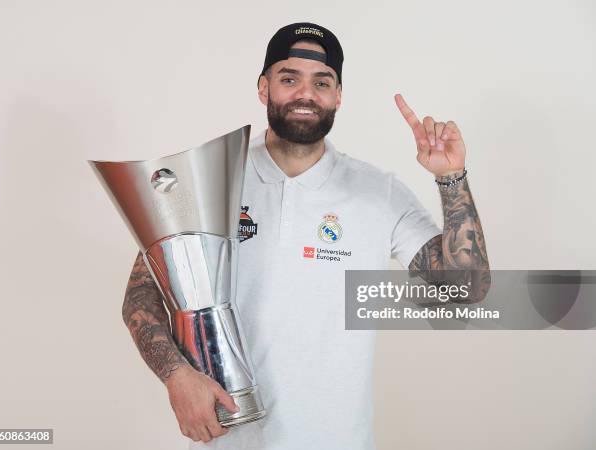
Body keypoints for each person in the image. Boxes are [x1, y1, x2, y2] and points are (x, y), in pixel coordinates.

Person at [121, 22, 489, 449]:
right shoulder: (210, 180)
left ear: (337, 96)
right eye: (289, 78)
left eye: (321, 82)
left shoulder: (378, 192)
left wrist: (451, 179)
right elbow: (141, 295)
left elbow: (466, 291)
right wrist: (177, 377)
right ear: (264, 88)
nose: (305, 94)